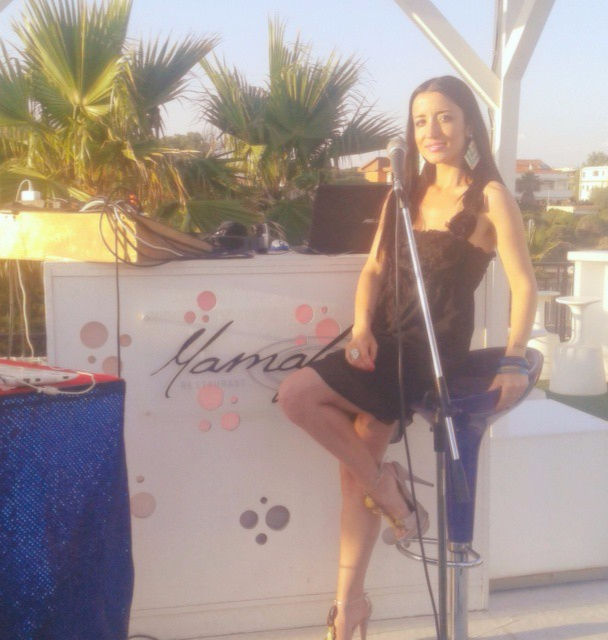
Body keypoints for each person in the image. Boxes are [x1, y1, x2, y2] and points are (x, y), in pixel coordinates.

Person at [278, 75, 536, 640]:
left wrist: (514, 359)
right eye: (421, 120)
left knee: (343, 463)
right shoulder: (403, 193)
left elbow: (524, 284)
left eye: (444, 117)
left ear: (468, 125)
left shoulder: (490, 197)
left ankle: (350, 597)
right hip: (381, 337)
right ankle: (365, 565)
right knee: (316, 422)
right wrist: (360, 327)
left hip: (430, 350)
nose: (431, 130)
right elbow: (373, 269)